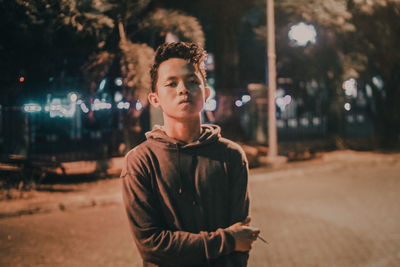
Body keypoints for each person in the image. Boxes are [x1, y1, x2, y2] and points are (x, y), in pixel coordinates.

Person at [121, 42, 260, 267]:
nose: (183, 89)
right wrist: (227, 240)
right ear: (155, 99)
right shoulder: (140, 162)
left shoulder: (231, 156)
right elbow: (152, 245)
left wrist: (235, 242)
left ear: (205, 94)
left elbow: (241, 240)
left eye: (192, 81)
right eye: (171, 83)